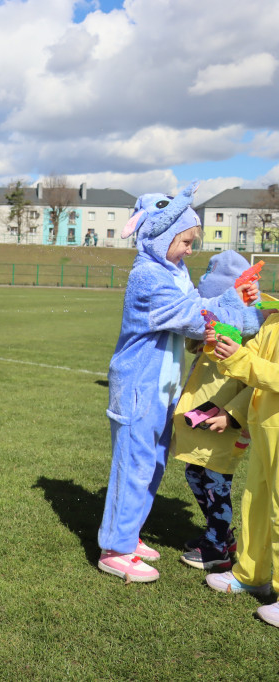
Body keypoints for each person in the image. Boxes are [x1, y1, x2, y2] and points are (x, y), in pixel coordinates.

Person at [96, 183, 259, 583]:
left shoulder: (171, 269)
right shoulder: (149, 275)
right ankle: (114, 548)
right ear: (162, 236)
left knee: (151, 464)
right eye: (185, 241)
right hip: (138, 385)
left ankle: (129, 535)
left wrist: (235, 300)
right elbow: (194, 316)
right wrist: (235, 299)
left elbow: (198, 310)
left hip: (159, 387)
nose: (190, 249)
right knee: (133, 466)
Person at [172, 251, 263, 571]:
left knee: (216, 480)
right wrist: (201, 340)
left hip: (225, 419)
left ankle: (218, 545)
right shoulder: (218, 325)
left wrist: (233, 414)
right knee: (194, 472)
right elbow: (199, 348)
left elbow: (256, 382)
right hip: (203, 413)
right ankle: (220, 535)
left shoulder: (254, 335)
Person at [205, 285, 279, 627]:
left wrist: (240, 358)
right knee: (257, 501)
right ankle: (252, 573)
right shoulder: (273, 318)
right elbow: (251, 360)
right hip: (266, 427)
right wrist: (223, 340)